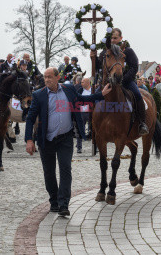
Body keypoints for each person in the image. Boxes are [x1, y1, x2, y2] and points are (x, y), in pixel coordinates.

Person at [25, 67, 111, 216]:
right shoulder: (38, 95)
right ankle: (54, 201)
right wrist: (29, 140)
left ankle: (64, 204)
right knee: (49, 173)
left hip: (65, 138)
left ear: (58, 78)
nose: (47, 80)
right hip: (46, 140)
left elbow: (83, 100)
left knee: (65, 170)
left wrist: (100, 95)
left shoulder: (69, 89)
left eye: (50, 77)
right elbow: (30, 118)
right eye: (45, 77)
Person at [91, 28, 149, 135]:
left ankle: (142, 123)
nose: (113, 40)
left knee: (137, 94)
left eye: (115, 38)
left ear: (121, 38)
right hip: (108, 84)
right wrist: (93, 59)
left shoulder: (128, 51)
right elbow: (98, 68)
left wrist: (123, 79)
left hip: (126, 82)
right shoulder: (105, 52)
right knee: (95, 97)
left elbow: (134, 67)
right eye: (111, 38)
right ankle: (94, 123)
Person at [76, 77, 92, 153]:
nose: (81, 83)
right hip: (82, 112)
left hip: (91, 113)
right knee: (80, 129)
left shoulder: (93, 91)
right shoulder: (80, 90)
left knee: (94, 129)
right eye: (81, 82)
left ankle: (96, 146)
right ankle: (79, 147)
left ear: (88, 83)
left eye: (83, 82)